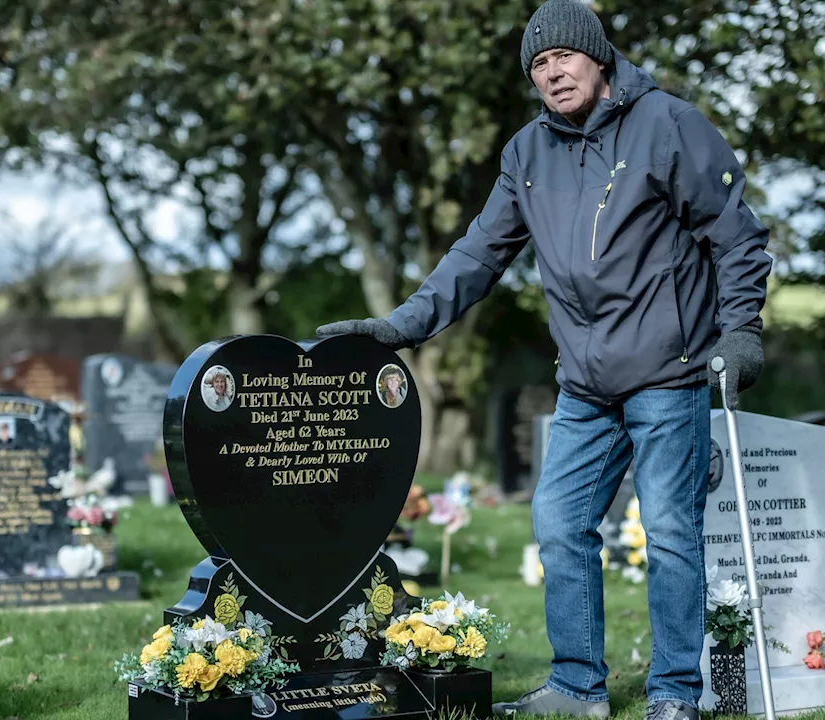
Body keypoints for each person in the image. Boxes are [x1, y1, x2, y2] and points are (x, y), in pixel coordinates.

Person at [316, 2, 771, 719]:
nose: (552, 72)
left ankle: (676, 694)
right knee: (558, 524)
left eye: (563, 57)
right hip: (585, 385)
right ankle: (577, 686)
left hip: (667, 370)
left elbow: (737, 235)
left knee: (672, 534)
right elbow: (477, 254)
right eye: (538, 64)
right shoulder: (527, 154)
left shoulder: (668, 125)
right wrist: (402, 326)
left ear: (597, 58)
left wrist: (740, 327)